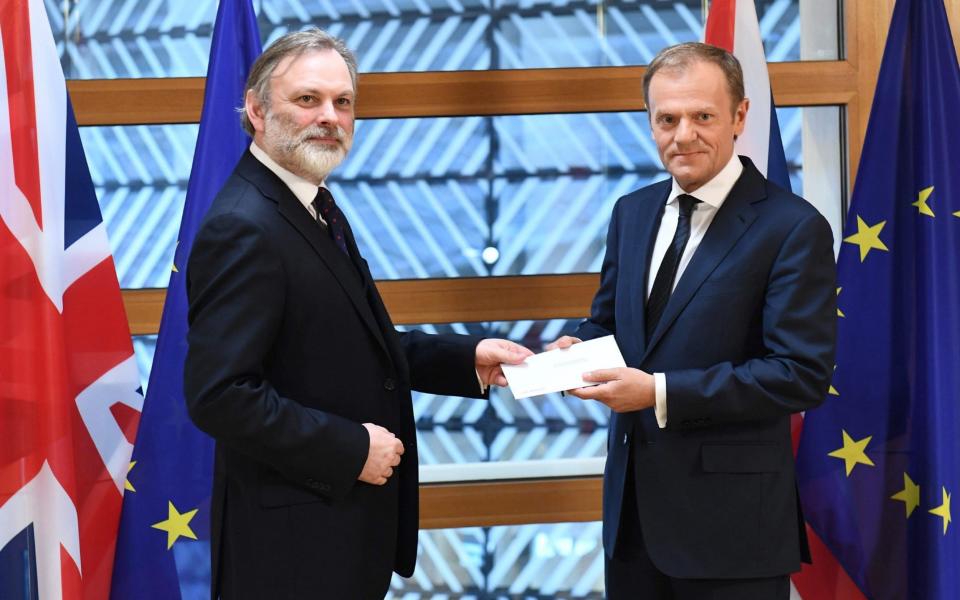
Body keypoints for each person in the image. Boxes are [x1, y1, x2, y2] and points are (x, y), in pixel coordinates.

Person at [183, 29, 531, 600]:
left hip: (336, 532)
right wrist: (348, 449)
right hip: (288, 550)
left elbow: (345, 339)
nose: (330, 116)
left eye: (343, 102)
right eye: (308, 99)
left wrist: (466, 359)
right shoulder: (243, 225)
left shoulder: (311, 200)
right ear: (256, 109)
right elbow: (219, 394)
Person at [549, 42, 836, 599]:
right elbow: (614, 328)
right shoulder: (631, 211)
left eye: (702, 116)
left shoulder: (791, 227)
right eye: (667, 119)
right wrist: (573, 353)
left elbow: (799, 373)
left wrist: (657, 392)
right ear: (651, 124)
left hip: (732, 534)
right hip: (632, 525)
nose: (684, 135)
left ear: (739, 117)